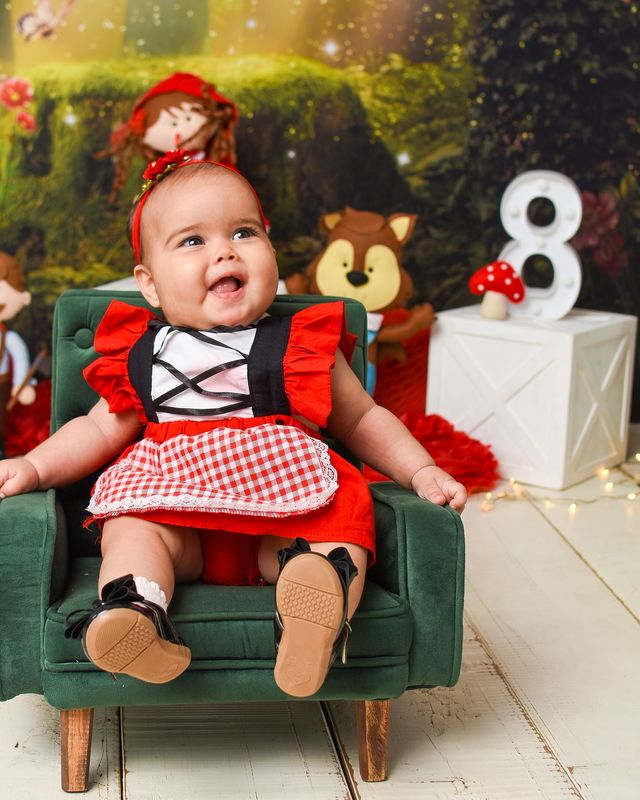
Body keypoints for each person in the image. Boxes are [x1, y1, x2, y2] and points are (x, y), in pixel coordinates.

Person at [0, 150, 467, 697]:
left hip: (281, 503)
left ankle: (316, 598)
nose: (224, 250)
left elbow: (363, 417)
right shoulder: (141, 353)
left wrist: (420, 470)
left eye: (244, 233)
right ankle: (133, 609)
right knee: (131, 526)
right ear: (149, 284)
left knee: (343, 508)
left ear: (269, 250)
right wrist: (33, 466)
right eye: (192, 241)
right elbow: (98, 429)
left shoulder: (297, 342)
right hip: (177, 509)